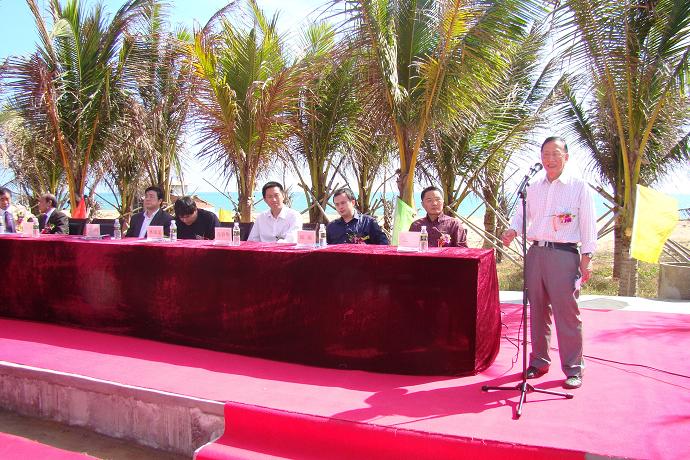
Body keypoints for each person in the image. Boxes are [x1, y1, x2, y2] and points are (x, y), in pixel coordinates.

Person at [501, 136, 596, 390]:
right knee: (538, 310)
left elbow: (588, 225)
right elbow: (521, 215)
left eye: (555, 154)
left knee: (567, 313)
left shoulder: (578, 186)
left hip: (564, 254)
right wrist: (512, 230)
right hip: (536, 253)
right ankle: (539, 361)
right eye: (545, 154)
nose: (550, 159)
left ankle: (574, 368)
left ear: (566, 157)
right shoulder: (533, 186)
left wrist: (587, 258)